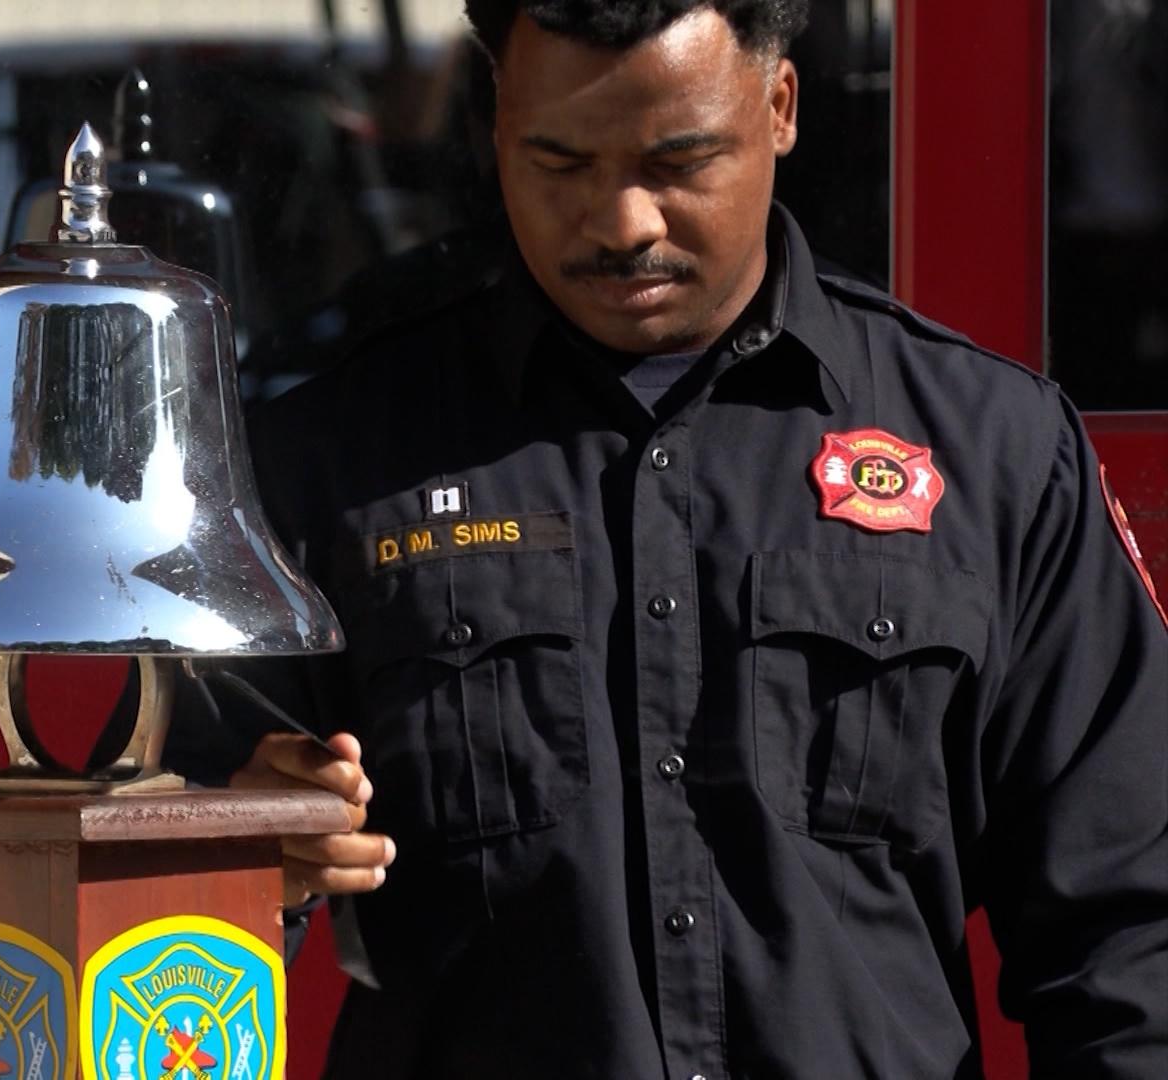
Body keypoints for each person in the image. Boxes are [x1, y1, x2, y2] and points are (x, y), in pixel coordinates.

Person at [164, 2, 1168, 1076]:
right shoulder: (327, 461)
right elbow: (145, 923)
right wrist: (246, 858)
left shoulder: (996, 453)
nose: (622, 222)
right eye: (562, 162)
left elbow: (1131, 936)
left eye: (679, 162)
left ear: (780, 107)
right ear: (498, 123)